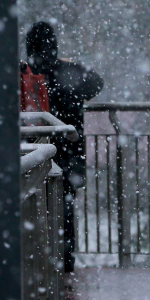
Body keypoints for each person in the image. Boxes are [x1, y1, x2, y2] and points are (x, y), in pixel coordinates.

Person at [26, 21, 104, 273]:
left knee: (30, 206)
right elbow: (96, 83)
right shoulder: (69, 72)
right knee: (64, 209)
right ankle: (64, 261)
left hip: (30, 152)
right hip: (68, 153)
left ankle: (34, 261)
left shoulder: (23, 74)